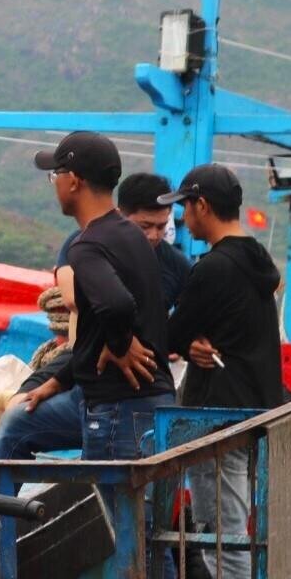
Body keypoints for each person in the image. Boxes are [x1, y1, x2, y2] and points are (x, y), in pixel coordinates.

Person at [156, 164, 283, 579]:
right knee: (237, 525)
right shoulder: (257, 261)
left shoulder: (212, 268)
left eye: (185, 208)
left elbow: (168, 337)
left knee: (220, 532)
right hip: (256, 409)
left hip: (218, 416)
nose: (183, 219)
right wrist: (194, 344)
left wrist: (184, 342)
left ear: (202, 206)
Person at [33, 132, 173, 463]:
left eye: (56, 175)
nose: (54, 184)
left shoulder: (87, 244)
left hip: (117, 409)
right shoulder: (131, 236)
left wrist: (120, 344)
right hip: (150, 401)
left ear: (73, 182)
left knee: (117, 511)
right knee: (144, 512)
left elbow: (117, 304)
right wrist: (59, 379)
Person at [0, 287, 83, 574]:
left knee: (16, 425)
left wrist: (43, 386)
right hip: (121, 393)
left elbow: (86, 347)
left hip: (106, 402)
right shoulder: (150, 270)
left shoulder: (98, 271)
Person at [54, 172, 190, 311]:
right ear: (120, 215)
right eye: (144, 226)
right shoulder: (84, 244)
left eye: (161, 226)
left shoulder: (177, 264)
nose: (154, 235)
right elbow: (71, 299)